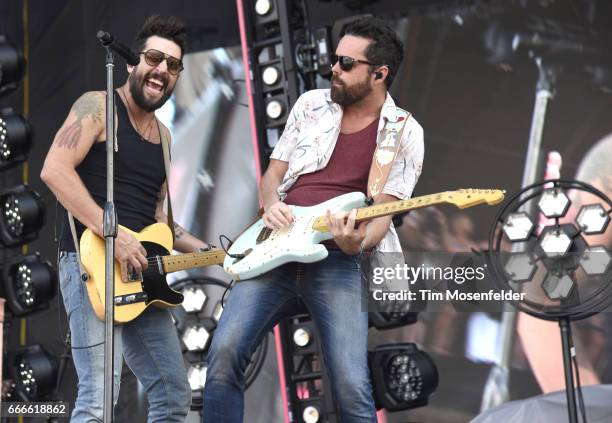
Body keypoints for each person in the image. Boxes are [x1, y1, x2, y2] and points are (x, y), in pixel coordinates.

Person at [204, 17, 424, 422]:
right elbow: (272, 176)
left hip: (339, 258)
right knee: (222, 358)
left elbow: (382, 216)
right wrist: (271, 203)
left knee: (352, 387)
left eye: (345, 63)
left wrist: (356, 242)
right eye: (334, 60)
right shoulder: (311, 104)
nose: (333, 70)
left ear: (379, 74)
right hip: (274, 244)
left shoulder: (404, 132)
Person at [40, 15, 209, 422]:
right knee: (99, 399)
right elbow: (54, 170)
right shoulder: (96, 106)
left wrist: (215, 251)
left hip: (140, 272)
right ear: (133, 62)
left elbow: (160, 222)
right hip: (91, 260)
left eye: (173, 65)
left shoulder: (165, 137)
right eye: (154, 58)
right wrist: (115, 235)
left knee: (172, 393)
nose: (162, 70)